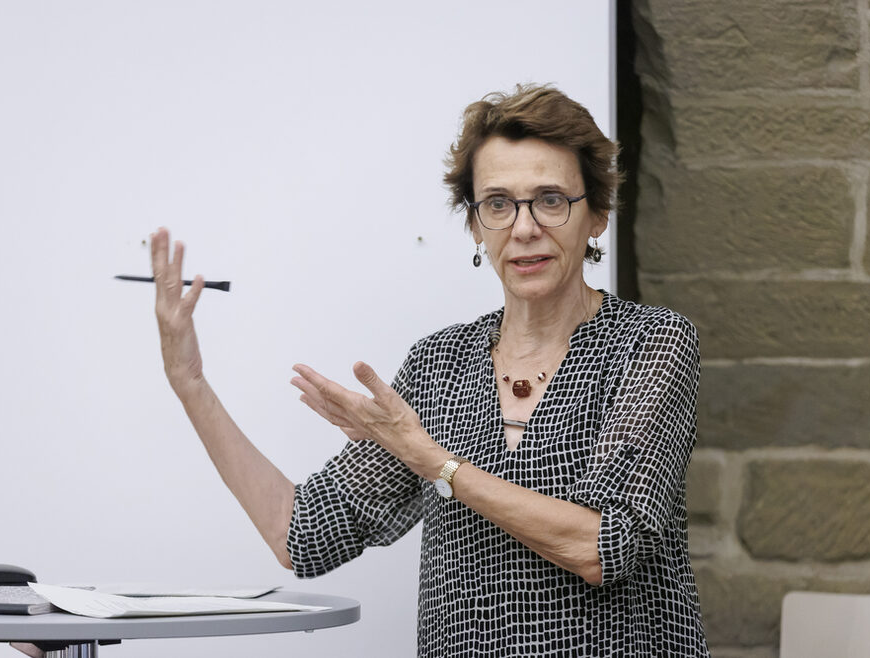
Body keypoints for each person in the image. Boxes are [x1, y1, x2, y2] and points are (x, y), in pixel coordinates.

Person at [151, 84, 710, 656]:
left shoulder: (652, 343)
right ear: (474, 225)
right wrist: (190, 384)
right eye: (497, 203)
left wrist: (434, 463)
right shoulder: (440, 366)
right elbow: (302, 537)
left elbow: (603, 547)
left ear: (596, 214)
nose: (523, 229)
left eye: (549, 199)